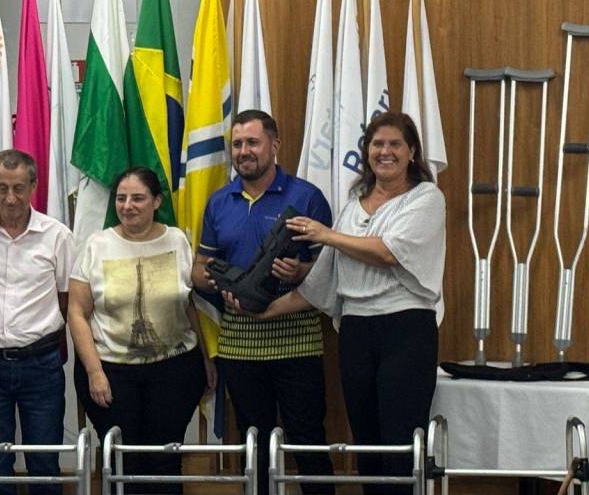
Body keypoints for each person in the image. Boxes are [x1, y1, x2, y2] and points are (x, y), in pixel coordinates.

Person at [243, 112, 445, 495]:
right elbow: (321, 283)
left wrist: (326, 234)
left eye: (395, 144)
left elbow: (389, 252)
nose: (385, 152)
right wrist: (263, 308)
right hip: (355, 331)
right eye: (377, 144)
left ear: (412, 151)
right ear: (367, 151)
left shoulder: (426, 198)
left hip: (405, 330)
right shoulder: (354, 205)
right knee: (365, 440)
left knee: (400, 441)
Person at [191, 110, 335, 495]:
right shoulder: (219, 202)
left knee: (307, 438)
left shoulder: (306, 197)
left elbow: (332, 271)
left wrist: (299, 272)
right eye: (237, 144)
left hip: (298, 339)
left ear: (274, 146)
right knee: (253, 443)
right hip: (239, 343)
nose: (244, 151)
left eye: (253, 142)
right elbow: (199, 269)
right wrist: (218, 280)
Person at [68, 167, 214, 494]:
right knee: (122, 461)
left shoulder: (177, 240)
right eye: (121, 198)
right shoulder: (97, 244)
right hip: (111, 371)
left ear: (156, 201)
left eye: (137, 198)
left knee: (165, 459)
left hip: (175, 370)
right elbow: (76, 312)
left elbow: (188, 304)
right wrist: (94, 372)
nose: (127, 206)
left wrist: (205, 358)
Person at [0, 150, 73, 495]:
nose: (10, 198)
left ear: (33, 186)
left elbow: (66, 297)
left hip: (41, 364)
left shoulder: (57, 235)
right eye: (2, 188)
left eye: (18, 188)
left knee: (44, 463)